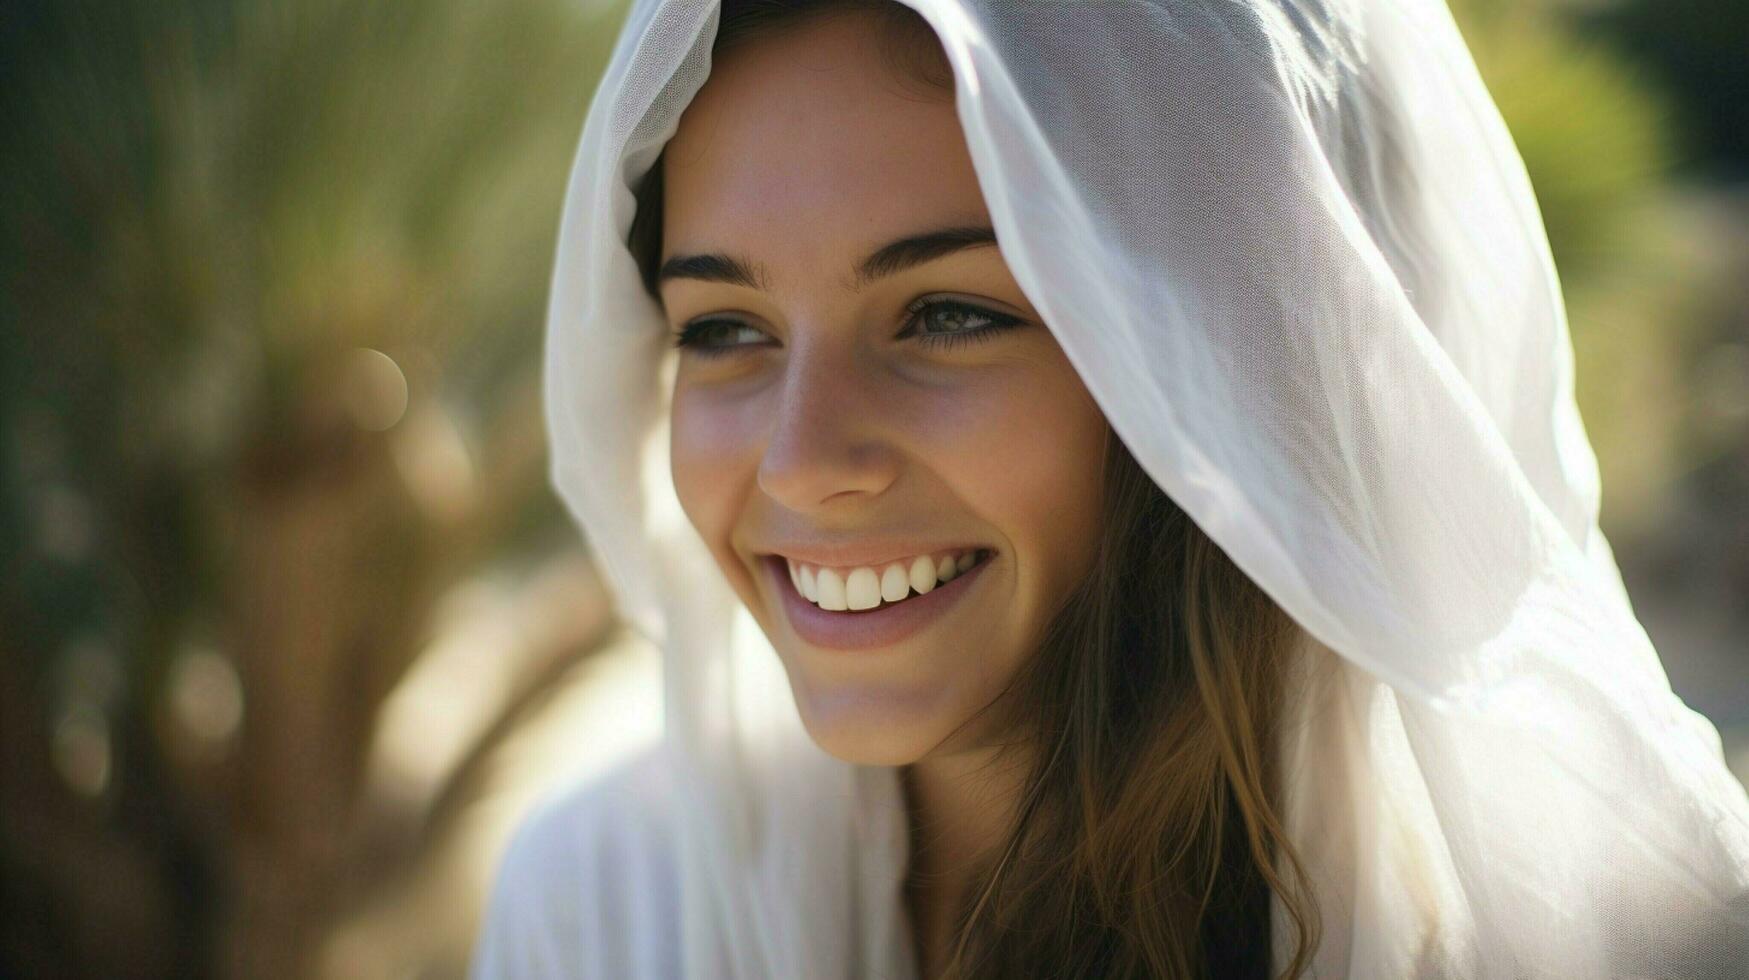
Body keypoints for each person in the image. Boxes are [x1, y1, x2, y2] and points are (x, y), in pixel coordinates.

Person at [473, 1, 1749, 978]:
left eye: (949, 313)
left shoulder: (1599, 931)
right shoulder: (600, 908)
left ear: (1242, 355)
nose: (802, 460)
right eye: (723, 327)